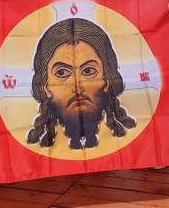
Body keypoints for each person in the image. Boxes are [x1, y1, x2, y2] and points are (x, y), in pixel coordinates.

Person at [25, 18, 137, 150]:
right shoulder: (36, 150)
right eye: (62, 73)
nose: (77, 87)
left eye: (88, 71)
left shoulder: (134, 138)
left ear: (107, 80)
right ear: (44, 86)